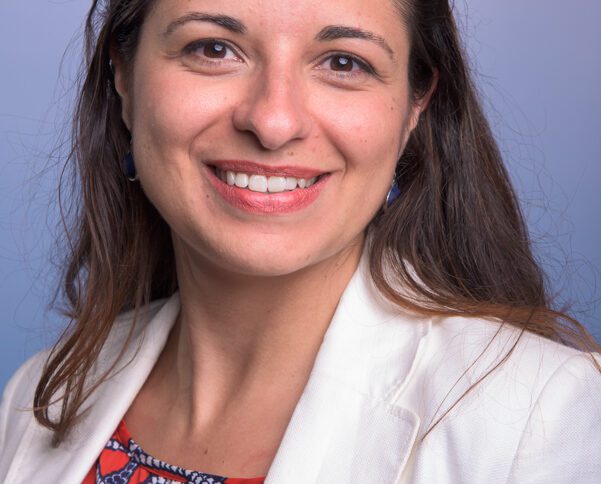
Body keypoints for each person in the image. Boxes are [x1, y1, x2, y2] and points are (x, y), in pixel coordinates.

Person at [1, 0, 600, 482]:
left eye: (343, 62)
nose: (273, 121)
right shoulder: (36, 396)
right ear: (123, 78)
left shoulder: (541, 417)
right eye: (214, 48)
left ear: (415, 108)